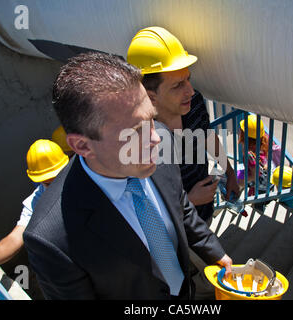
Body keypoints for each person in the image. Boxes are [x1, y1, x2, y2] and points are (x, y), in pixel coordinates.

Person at [23, 52, 232, 300]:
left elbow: (181, 207)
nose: (156, 139)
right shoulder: (51, 240)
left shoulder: (159, 142)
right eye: (135, 132)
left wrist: (215, 253)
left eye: (151, 120)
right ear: (82, 146)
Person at [127, 26, 239, 223]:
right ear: (151, 97)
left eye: (188, 79)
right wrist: (190, 200)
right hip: (175, 227)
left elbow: (207, 137)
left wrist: (229, 173)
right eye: (178, 85)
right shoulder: (138, 137)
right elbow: (141, 207)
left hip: (204, 214)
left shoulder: (194, 104)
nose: (191, 92)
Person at [0, 139, 69, 272]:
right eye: (48, 183)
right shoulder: (36, 202)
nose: (55, 186)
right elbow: (14, 239)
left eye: (58, 178)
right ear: (38, 180)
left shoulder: (89, 174)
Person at [237, 115, 281, 195]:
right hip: (270, 178)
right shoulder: (265, 139)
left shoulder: (249, 154)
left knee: (232, 179)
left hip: (261, 183)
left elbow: (254, 176)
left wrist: (240, 182)